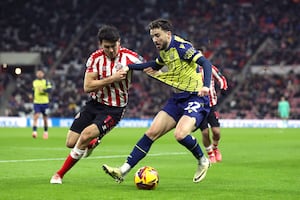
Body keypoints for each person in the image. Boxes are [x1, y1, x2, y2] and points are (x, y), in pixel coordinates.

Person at [102, 18, 213, 184]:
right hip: (177, 99)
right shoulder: (165, 51)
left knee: (180, 134)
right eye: (152, 36)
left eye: (157, 35)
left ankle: (203, 160)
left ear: (168, 34)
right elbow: (155, 64)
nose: (154, 40)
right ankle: (122, 171)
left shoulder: (182, 48)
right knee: (151, 133)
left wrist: (205, 86)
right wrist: (129, 67)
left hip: (195, 97)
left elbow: (206, 62)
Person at [50, 25, 143, 184]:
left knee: (85, 134)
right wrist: (112, 79)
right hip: (94, 103)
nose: (111, 50)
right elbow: (87, 87)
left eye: (114, 46)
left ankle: (59, 174)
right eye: (107, 47)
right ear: (100, 45)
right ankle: (94, 142)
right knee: (71, 142)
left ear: (119, 43)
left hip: (114, 109)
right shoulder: (95, 58)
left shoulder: (130, 57)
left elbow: (149, 68)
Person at [198, 64, 228, 163]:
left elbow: (221, 78)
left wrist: (223, 88)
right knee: (205, 133)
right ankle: (210, 154)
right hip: (199, 107)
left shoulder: (210, 67)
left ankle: (215, 148)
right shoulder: (190, 69)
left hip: (211, 106)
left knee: (216, 132)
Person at [32, 69, 52, 139]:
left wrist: (43, 90)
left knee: (45, 118)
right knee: (36, 116)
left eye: (41, 73)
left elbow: (50, 90)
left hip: (45, 102)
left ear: (43, 74)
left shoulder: (46, 82)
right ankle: (34, 132)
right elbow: (33, 90)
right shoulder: (34, 82)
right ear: (36, 74)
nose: (39, 74)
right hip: (37, 102)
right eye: (38, 73)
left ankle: (45, 132)